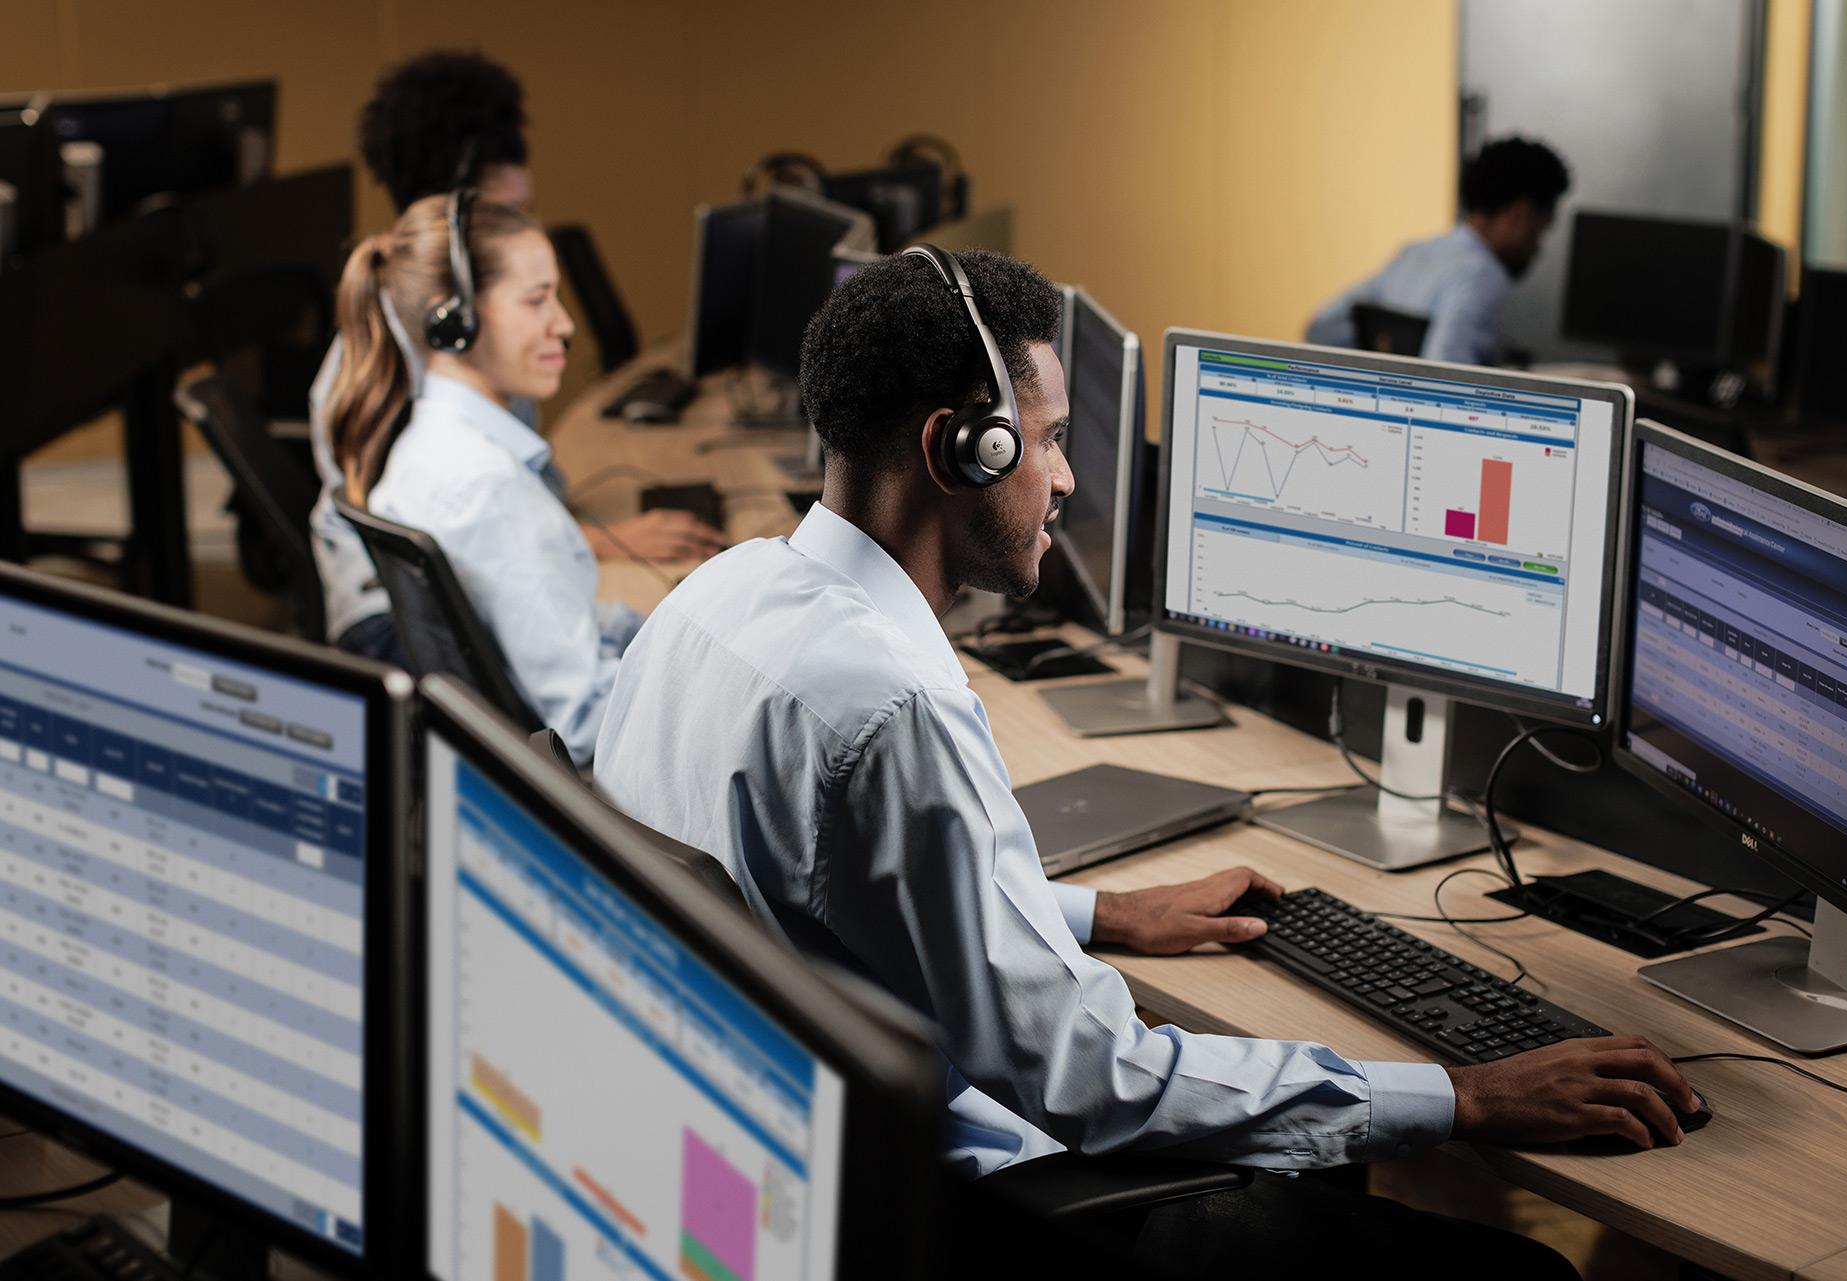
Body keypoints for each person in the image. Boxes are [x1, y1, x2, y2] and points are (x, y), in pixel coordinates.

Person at [594, 249, 1697, 1271]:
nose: (1067, 479)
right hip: (967, 1207)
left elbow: (838, 896)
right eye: (1050, 437)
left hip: (764, 1164)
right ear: (959, 449)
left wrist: (1100, 914)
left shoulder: (718, 595)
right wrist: (1464, 1097)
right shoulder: (896, 708)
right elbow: (1095, 1081)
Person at [309, 51, 721, 662]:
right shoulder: (392, 360)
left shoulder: (481, 344)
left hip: (467, 581)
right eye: (508, 209)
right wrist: (585, 542)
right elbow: (466, 533)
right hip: (394, 628)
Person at [324, 195, 658, 761]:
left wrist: (664, 633)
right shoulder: (489, 489)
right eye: (537, 300)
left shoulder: (424, 443)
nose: (564, 324)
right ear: (452, 320)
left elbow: (545, 613)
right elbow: (583, 722)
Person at [1306, 136, 1571, 366]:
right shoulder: (1483, 274)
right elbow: (1449, 373)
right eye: (1541, 231)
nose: (1537, 248)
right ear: (1520, 215)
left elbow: (1322, 329)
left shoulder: (1414, 254)